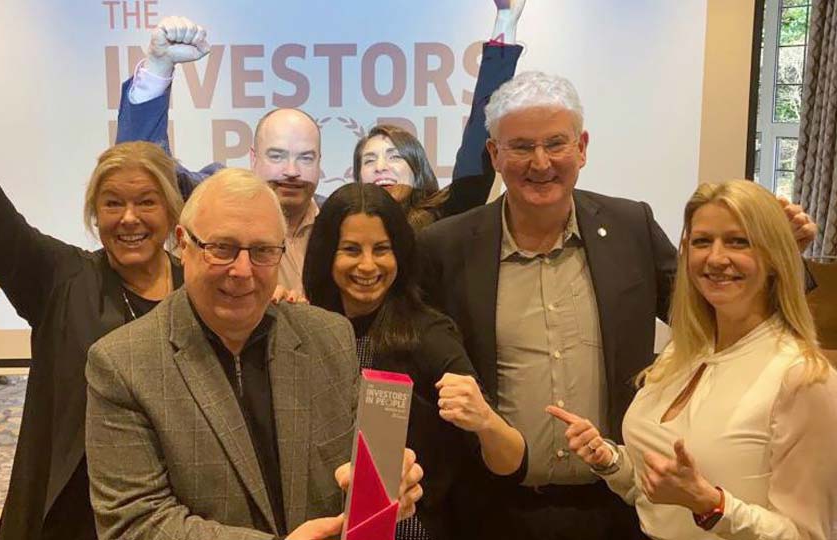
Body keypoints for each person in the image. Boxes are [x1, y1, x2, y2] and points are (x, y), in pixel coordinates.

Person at [416, 71, 819, 540]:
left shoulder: (630, 227)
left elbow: (712, 310)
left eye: (556, 143)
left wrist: (780, 258)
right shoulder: (446, 247)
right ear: (494, 154)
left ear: (582, 148)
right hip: (489, 509)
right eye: (521, 147)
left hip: (616, 507)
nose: (541, 163)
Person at [0, 3, 187, 538]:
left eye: (146, 202)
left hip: (171, 512)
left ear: (172, 211)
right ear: (94, 214)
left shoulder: (200, 289)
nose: (129, 218)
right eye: (112, 203)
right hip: (71, 514)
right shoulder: (61, 279)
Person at [85, 169, 424, 539]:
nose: (243, 270)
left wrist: (386, 487)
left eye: (262, 251)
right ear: (183, 244)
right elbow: (135, 523)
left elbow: (355, 478)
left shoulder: (329, 337)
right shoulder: (123, 365)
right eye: (222, 248)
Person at [115, 0, 527, 290]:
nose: (291, 170)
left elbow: (472, 175)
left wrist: (504, 29)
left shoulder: (345, 220)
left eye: (305, 157)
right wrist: (159, 68)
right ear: (253, 158)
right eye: (277, 156)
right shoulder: (218, 202)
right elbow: (146, 172)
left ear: (320, 164)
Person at [548, 180, 837, 540]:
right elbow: (658, 495)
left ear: (775, 256)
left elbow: (806, 535)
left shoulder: (802, 378)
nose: (715, 258)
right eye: (702, 241)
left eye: (738, 241)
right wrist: (612, 462)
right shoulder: (681, 353)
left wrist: (711, 505)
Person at [301, 182, 527, 539]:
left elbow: (511, 461)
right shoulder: (304, 330)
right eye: (351, 249)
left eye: (382, 249)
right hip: (318, 526)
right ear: (326, 253)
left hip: (412, 529)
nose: (367, 265)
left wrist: (485, 420)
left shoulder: (428, 335)